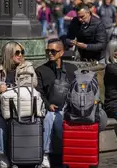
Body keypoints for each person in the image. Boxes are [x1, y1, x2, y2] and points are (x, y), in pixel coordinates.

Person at [0, 42, 37, 168]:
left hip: (20, 105)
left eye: (22, 52)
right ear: (9, 54)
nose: (20, 55)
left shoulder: (27, 66)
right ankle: (2, 154)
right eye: (17, 53)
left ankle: (17, 155)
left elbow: (33, 82)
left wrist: (12, 86)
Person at [36, 38, 78, 168]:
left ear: (61, 52)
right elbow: (39, 92)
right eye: (48, 51)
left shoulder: (72, 68)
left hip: (68, 108)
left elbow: (77, 90)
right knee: (50, 118)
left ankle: (68, 155)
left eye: (53, 51)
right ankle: (45, 155)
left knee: (60, 121)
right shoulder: (41, 70)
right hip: (50, 108)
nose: (50, 53)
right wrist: (48, 104)